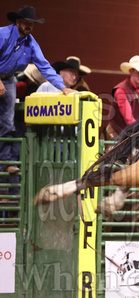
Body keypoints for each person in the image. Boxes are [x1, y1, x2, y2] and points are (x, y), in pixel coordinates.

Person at [0, 5, 74, 175]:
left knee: (8, 122)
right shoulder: (2, 35)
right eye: (26, 23)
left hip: (9, 79)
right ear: (18, 22)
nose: (29, 27)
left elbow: (45, 67)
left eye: (32, 24)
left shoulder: (31, 43)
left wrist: (62, 87)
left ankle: (6, 161)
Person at [105, 55, 139, 140]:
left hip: (136, 130)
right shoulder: (121, 90)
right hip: (117, 131)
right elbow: (128, 118)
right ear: (131, 72)